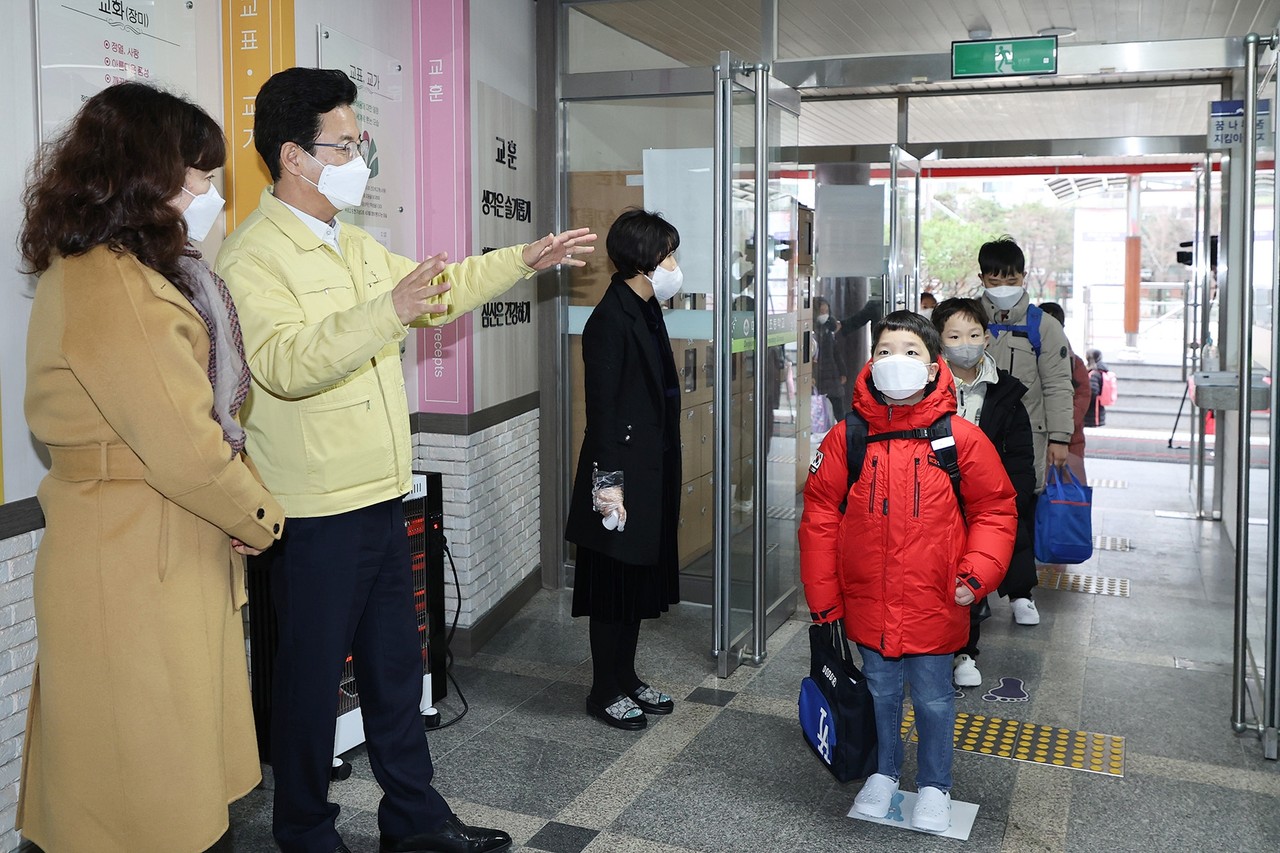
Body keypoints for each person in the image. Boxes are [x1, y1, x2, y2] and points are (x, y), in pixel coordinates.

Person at [215, 67, 595, 853]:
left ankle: (415, 821)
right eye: (347, 143)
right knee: (311, 682)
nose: (362, 156)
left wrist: (524, 257)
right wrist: (385, 311)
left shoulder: (351, 243)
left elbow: (441, 289)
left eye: (362, 141)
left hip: (382, 493)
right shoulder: (254, 257)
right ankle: (305, 831)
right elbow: (284, 362)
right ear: (294, 155)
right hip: (314, 508)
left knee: (398, 668)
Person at [17, 82, 285, 853]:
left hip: (151, 542)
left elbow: (195, 432)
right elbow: (185, 445)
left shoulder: (127, 271)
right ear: (144, 174)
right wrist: (263, 519)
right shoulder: (113, 282)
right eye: (196, 174)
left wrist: (241, 506)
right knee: (142, 796)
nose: (207, 192)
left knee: (158, 778)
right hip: (134, 557)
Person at [799, 311, 1017, 834]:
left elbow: (996, 510)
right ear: (870, 363)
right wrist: (824, 597)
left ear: (933, 363)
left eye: (910, 351)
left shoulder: (958, 439)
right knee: (879, 692)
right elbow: (820, 518)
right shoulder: (846, 439)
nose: (896, 361)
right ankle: (885, 772)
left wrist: (974, 577)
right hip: (869, 601)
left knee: (935, 699)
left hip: (938, 599)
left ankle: (936, 784)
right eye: (885, 351)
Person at [565, 209, 683, 730]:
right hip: (618, 479)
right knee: (611, 587)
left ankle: (628, 676)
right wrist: (608, 488)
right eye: (668, 254)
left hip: (648, 472)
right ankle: (603, 689)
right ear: (645, 259)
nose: (675, 265)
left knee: (634, 584)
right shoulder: (609, 320)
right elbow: (605, 414)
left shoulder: (647, 308)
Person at [932, 299, 1036, 688]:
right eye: (955, 336)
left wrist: (1015, 498)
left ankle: (964, 652)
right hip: (934, 498)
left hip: (982, 502)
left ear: (987, 338)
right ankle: (932, 648)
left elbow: (1020, 456)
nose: (966, 343)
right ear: (939, 342)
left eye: (974, 335)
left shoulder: (1005, 393)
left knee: (968, 580)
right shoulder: (924, 385)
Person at [977, 236, 1074, 626]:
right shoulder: (965, 320)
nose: (1003, 287)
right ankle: (975, 591)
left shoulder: (1044, 327)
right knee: (970, 513)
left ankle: (1020, 593)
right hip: (975, 435)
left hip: (1025, 438)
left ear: (1023, 276)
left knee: (1018, 512)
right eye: (995, 279)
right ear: (981, 277)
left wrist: (1060, 438)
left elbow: (1058, 385)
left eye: (1011, 278)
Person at [1040, 302, 1091, 480]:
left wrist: (1062, 426)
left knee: (1066, 498)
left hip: (1070, 441)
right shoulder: (1027, 355)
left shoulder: (1073, 361)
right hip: (1035, 438)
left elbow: (1083, 397)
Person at [812, 296, 848, 420]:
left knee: (839, 408)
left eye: (826, 312)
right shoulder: (812, 331)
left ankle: (842, 433)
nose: (824, 315)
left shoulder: (830, 329)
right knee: (818, 406)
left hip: (832, 373)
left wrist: (842, 371)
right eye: (821, 312)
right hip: (818, 373)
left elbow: (836, 352)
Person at [1086, 349, 1109, 427]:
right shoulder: (1101, 371)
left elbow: (1093, 391)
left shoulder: (1094, 373)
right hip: (1098, 411)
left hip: (1092, 414)